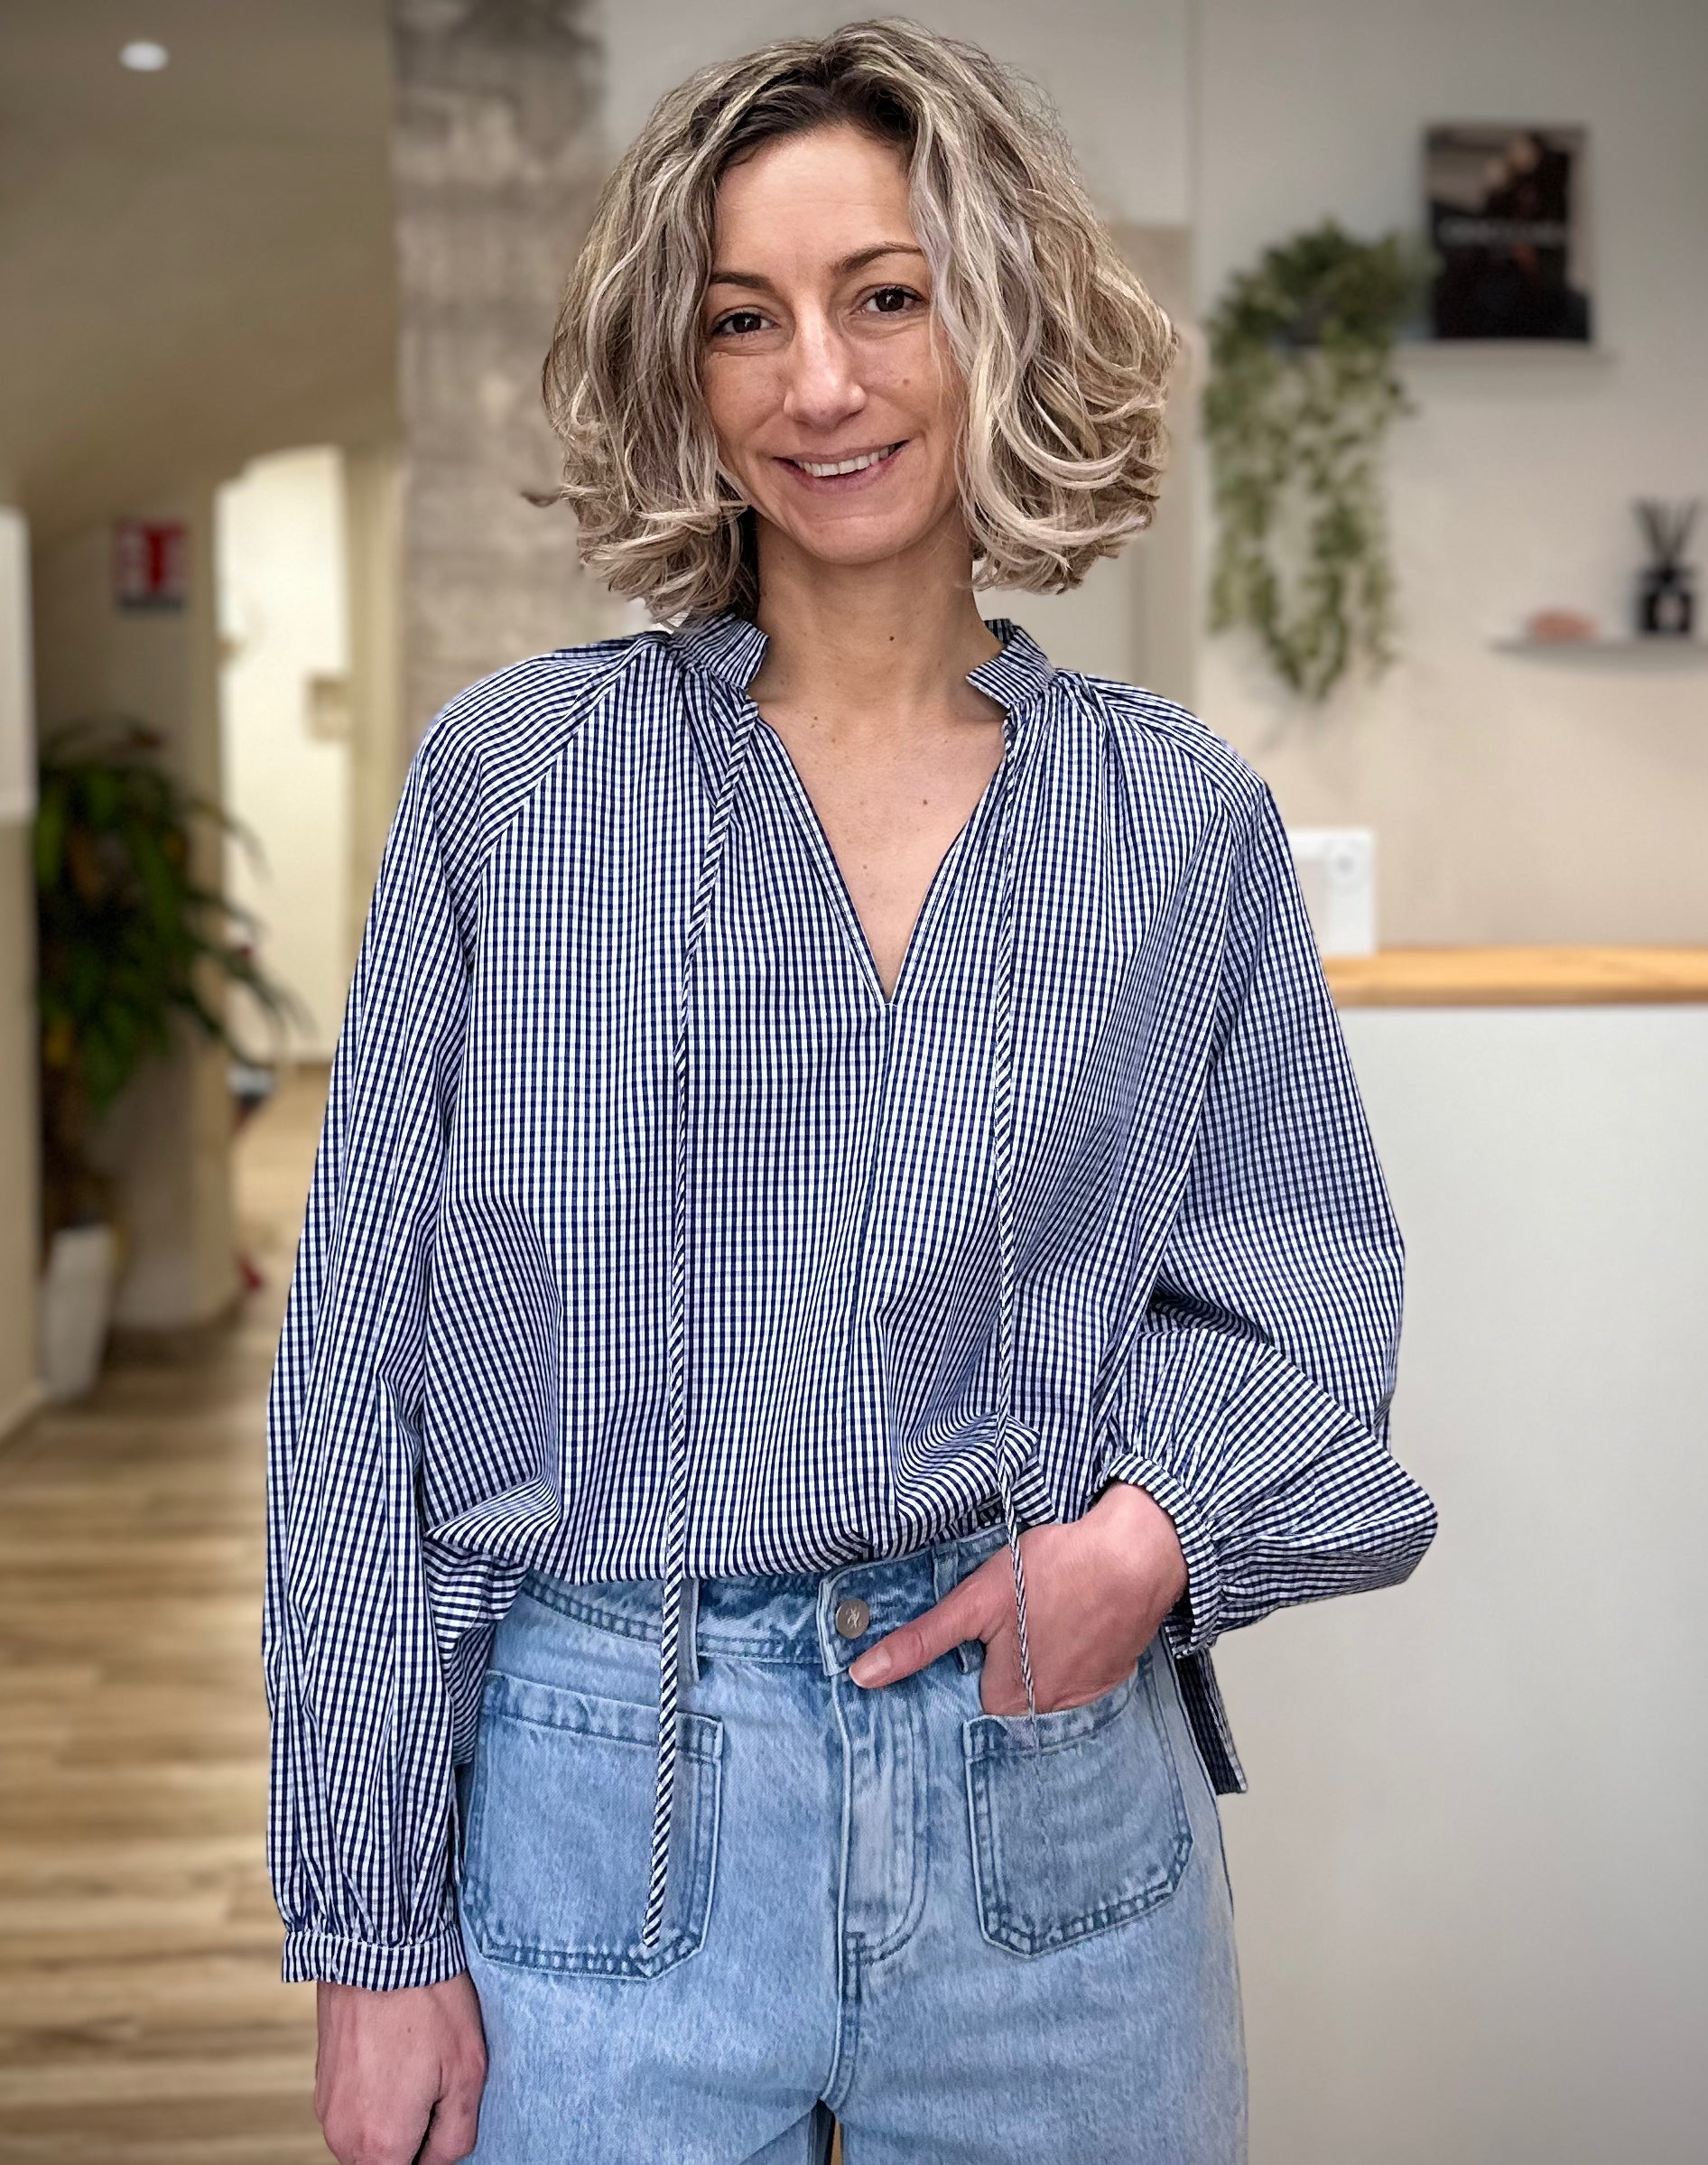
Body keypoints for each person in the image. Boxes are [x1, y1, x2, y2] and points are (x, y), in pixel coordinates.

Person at [263, 20, 1439, 2164]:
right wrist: (368, 1921)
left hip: (1052, 1816)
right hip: (594, 1819)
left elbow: (1300, 1283)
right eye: (746, 320)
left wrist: (1153, 1534)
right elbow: (360, 1383)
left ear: (991, 315)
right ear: (679, 371)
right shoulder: (514, 789)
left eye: (884, 294)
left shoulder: (1175, 823)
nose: (818, 383)